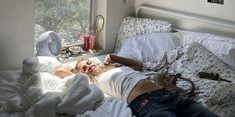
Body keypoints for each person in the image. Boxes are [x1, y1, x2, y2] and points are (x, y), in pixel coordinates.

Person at [55, 54, 219, 117]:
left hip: (168, 95)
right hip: (146, 102)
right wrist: (79, 70)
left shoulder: (116, 68)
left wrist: (114, 57)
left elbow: (138, 64)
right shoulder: (93, 81)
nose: (90, 65)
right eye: (86, 67)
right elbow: (59, 70)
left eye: (90, 62)